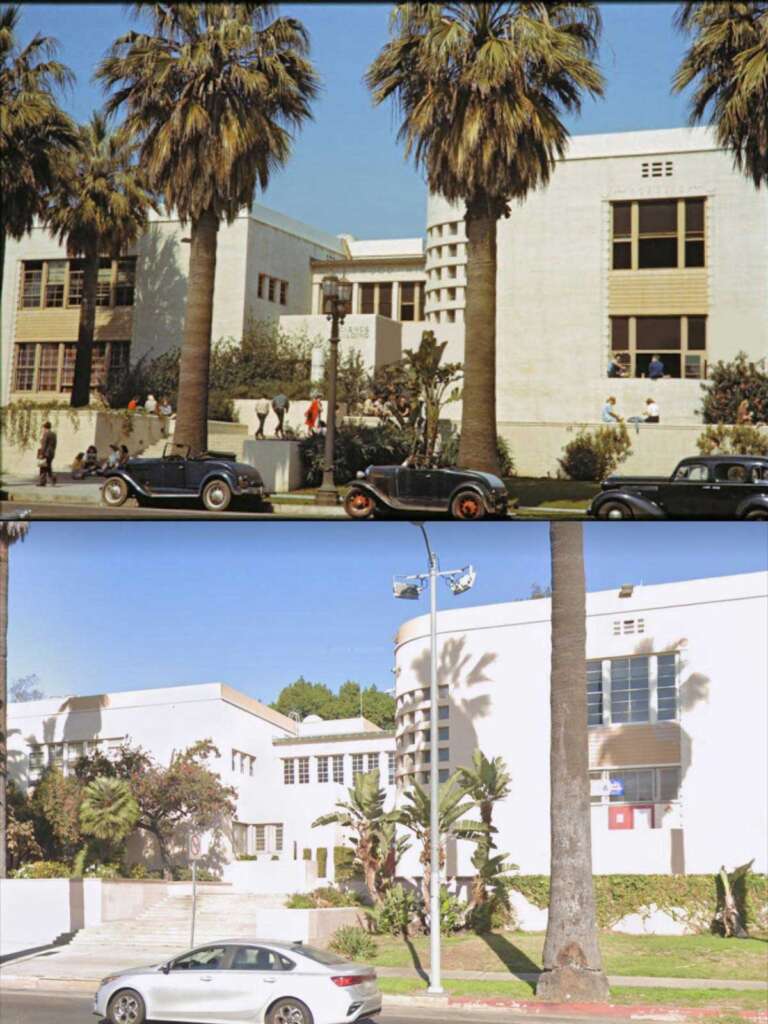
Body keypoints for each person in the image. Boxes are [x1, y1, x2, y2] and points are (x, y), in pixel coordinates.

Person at [37, 421, 57, 486]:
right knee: (48, 467)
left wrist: (41, 454)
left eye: (43, 428)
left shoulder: (46, 434)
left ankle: (42, 482)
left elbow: (44, 445)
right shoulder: (54, 434)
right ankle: (53, 479)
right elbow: (54, 445)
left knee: (43, 467)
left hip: (46, 453)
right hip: (51, 453)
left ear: (45, 427)